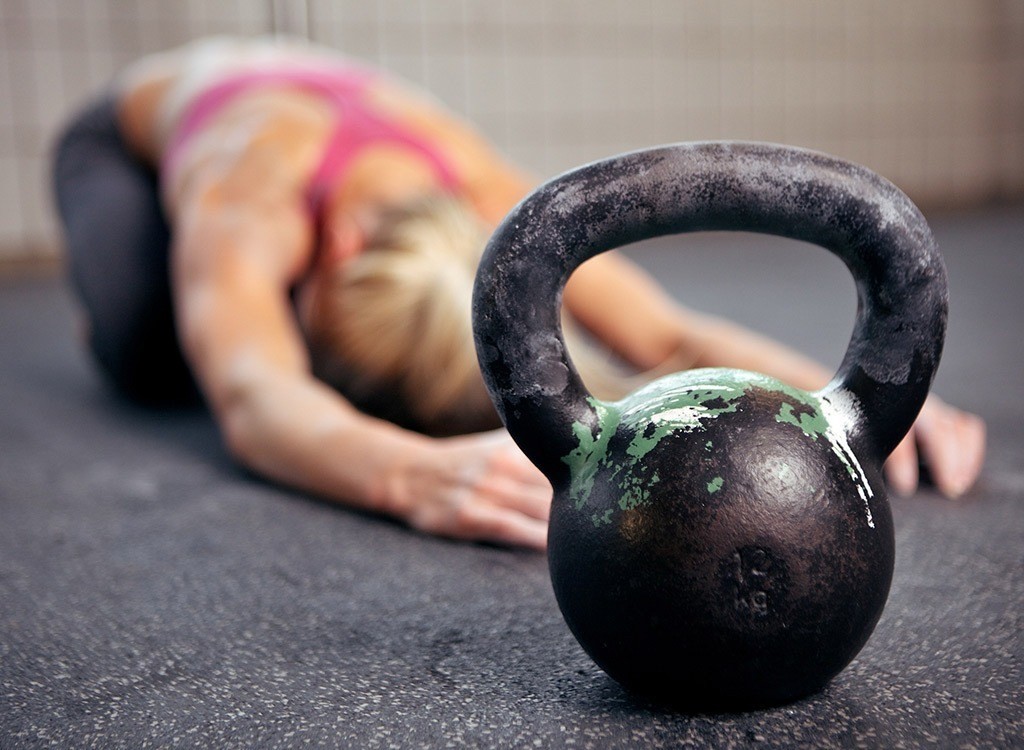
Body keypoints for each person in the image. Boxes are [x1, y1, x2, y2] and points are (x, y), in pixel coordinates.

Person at [53, 36, 985, 550]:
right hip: (122, 137)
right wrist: (407, 473)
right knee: (156, 347)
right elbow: (259, 403)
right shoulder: (245, 201)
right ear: (329, 249)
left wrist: (869, 389)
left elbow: (662, 337)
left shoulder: (498, 203)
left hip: (330, 132)